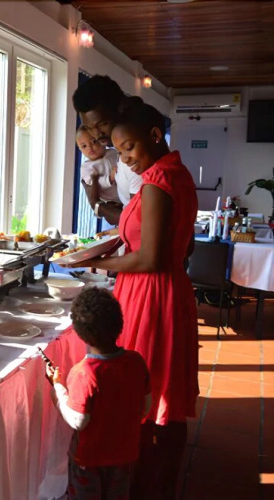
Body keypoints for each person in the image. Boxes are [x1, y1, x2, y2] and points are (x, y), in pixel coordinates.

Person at [69, 99, 199, 499]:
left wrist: (97, 263)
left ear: (155, 136)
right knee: (163, 393)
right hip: (166, 288)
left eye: (129, 149)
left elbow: (149, 258)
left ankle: (147, 483)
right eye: (120, 150)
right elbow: (184, 247)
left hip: (151, 295)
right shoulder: (175, 172)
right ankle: (159, 481)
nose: (125, 159)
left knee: (148, 391)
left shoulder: (158, 180)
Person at [46, 287, 151, 500]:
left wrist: (58, 390)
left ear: (80, 332)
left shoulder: (83, 373)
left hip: (89, 460)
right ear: (119, 324)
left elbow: (78, 421)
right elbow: (145, 408)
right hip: (124, 456)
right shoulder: (136, 362)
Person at [72, 75, 144, 226]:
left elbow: (136, 223)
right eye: (89, 128)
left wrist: (95, 203)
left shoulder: (136, 159)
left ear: (120, 110)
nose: (97, 134)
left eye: (103, 124)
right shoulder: (117, 154)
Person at [76, 125, 121, 218]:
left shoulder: (112, 152)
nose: (89, 147)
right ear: (80, 149)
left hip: (127, 190)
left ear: (102, 141)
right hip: (114, 201)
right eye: (84, 146)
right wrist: (109, 179)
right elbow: (93, 183)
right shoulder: (87, 167)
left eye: (93, 141)